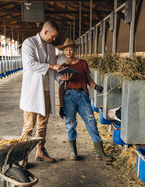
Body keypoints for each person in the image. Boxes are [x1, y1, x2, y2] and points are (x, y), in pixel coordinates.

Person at [20, 21, 71, 168]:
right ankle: (22, 156)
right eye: (53, 36)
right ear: (46, 31)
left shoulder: (50, 48)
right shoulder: (29, 43)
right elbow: (30, 64)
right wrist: (52, 65)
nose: (54, 39)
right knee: (29, 125)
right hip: (32, 91)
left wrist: (61, 77)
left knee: (43, 123)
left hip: (46, 90)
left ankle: (40, 151)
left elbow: (52, 72)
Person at [57, 38, 113, 163]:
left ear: (75, 50)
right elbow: (61, 87)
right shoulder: (64, 67)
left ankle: (100, 153)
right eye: (66, 50)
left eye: (71, 49)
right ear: (64, 52)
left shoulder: (83, 63)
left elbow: (89, 79)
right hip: (69, 97)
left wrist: (96, 87)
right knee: (70, 124)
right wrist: (61, 106)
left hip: (82, 96)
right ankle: (74, 152)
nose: (69, 52)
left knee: (91, 121)